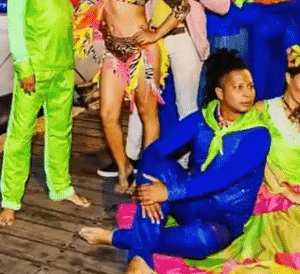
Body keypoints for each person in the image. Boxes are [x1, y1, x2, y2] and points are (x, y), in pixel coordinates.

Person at [78, 49, 271, 274]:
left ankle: (121, 239)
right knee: (156, 167)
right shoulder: (202, 119)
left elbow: (220, 179)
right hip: (190, 202)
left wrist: (167, 193)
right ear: (220, 92)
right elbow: (155, 151)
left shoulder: (258, 134)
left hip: (223, 220)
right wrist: (151, 192)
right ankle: (140, 260)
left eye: (250, 86)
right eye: (238, 87)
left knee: (201, 240)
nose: (248, 94)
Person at [182, 46, 300, 272]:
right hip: (276, 197)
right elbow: (248, 158)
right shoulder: (260, 112)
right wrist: (289, 193)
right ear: (289, 78)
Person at [73, 0, 190, 192]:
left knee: (148, 113)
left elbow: (181, 5)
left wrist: (156, 33)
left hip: (142, 53)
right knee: (107, 115)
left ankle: (146, 173)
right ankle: (123, 166)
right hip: (114, 52)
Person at [0, 0, 91, 227]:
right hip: (34, 69)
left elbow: (72, 14)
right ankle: (10, 199)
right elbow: (14, 21)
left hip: (64, 66)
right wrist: (23, 65)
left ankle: (61, 187)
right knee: (20, 135)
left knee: (61, 131)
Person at [124, 0, 230, 166]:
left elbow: (223, 5)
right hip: (151, 37)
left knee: (188, 105)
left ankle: (184, 164)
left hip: (185, 38)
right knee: (140, 100)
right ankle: (131, 158)